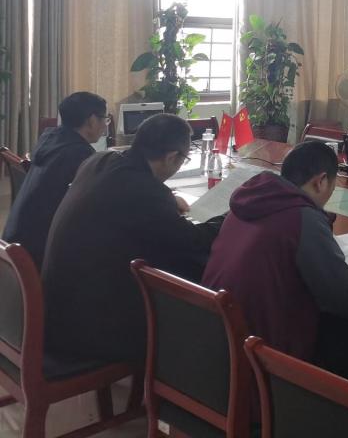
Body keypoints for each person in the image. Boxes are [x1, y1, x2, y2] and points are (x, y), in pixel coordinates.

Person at [42, 113, 223, 366]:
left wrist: (167, 200)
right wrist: (229, 218)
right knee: (197, 289)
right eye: (183, 159)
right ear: (172, 157)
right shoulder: (146, 191)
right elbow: (193, 241)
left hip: (57, 311)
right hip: (91, 330)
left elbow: (123, 197)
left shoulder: (100, 160)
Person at [202, 140, 348, 365]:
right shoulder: (302, 218)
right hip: (265, 359)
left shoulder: (247, 202)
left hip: (216, 341)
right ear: (321, 181)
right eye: (332, 189)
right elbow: (346, 299)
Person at [2, 92, 108, 266]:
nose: (105, 125)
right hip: (39, 254)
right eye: (104, 119)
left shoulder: (51, 139)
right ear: (91, 120)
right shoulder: (79, 154)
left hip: (16, 243)